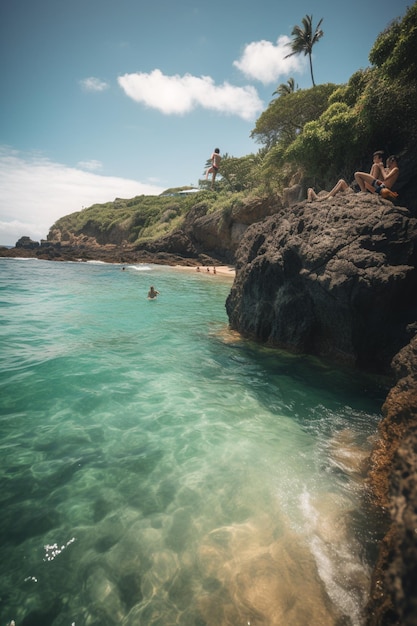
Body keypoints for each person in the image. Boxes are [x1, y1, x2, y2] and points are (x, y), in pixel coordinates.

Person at [307, 150, 386, 201]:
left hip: (364, 191)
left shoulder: (377, 165)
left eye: (375, 158)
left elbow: (373, 180)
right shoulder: (378, 166)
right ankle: (325, 196)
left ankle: (324, 197)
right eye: (373, 158)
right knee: (341, 181)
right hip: (359, 190)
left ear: (380, 159)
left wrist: (374, 167)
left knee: (343, 181)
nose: (374, 160)